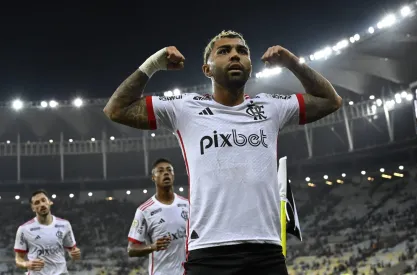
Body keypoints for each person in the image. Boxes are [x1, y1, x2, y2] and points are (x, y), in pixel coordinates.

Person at [104, 30, 342, 274]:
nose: (235, 56)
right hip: (208, 252)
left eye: (242, 51)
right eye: (224, 51)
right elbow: (116, 109)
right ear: (207, 70)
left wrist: (293, 63)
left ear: (250, 66)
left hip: (266, 251)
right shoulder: (185, 108)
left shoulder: (272, 106)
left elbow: (330, 101)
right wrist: (153, 64)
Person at [127, 158, 189, 275]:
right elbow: (131, 250)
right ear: (153, 177)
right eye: (160, 171)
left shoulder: (187, 205)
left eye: (169, 170)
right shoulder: (144, 210)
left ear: (173, 175)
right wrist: (153, 247)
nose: (166, 173)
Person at [14, 189, 81, 275]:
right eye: (37, 203)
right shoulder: (24, 229)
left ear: (50, 202)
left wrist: (74, 254)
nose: (41, 204)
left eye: (43, 200)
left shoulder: (65, 225)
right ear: (33, 208)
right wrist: (26, 264)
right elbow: (18, 259)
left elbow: (72, 250)